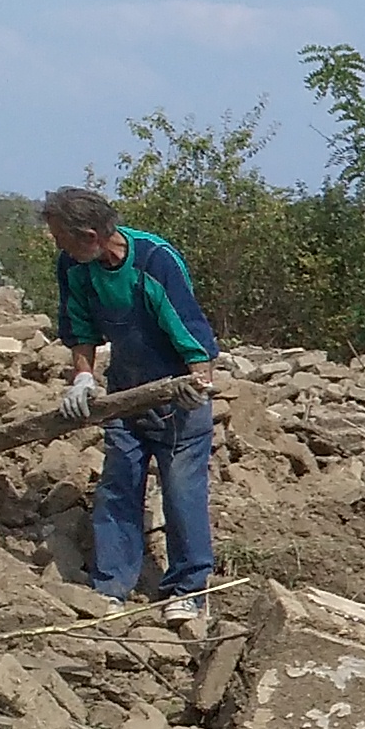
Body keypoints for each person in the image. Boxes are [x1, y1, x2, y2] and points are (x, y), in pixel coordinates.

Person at [40, 187, 218, 629]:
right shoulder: (75, 267)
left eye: (62, 237)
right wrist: (82, 375)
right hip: (124, 393)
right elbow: (79, 325)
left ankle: (188, 589)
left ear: (89, 235)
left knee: (181, 491)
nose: (57, 246)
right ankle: (111, 587)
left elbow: (190, 329)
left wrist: (200, 383)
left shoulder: (153, 261)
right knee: (118, 486)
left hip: (176, 395)